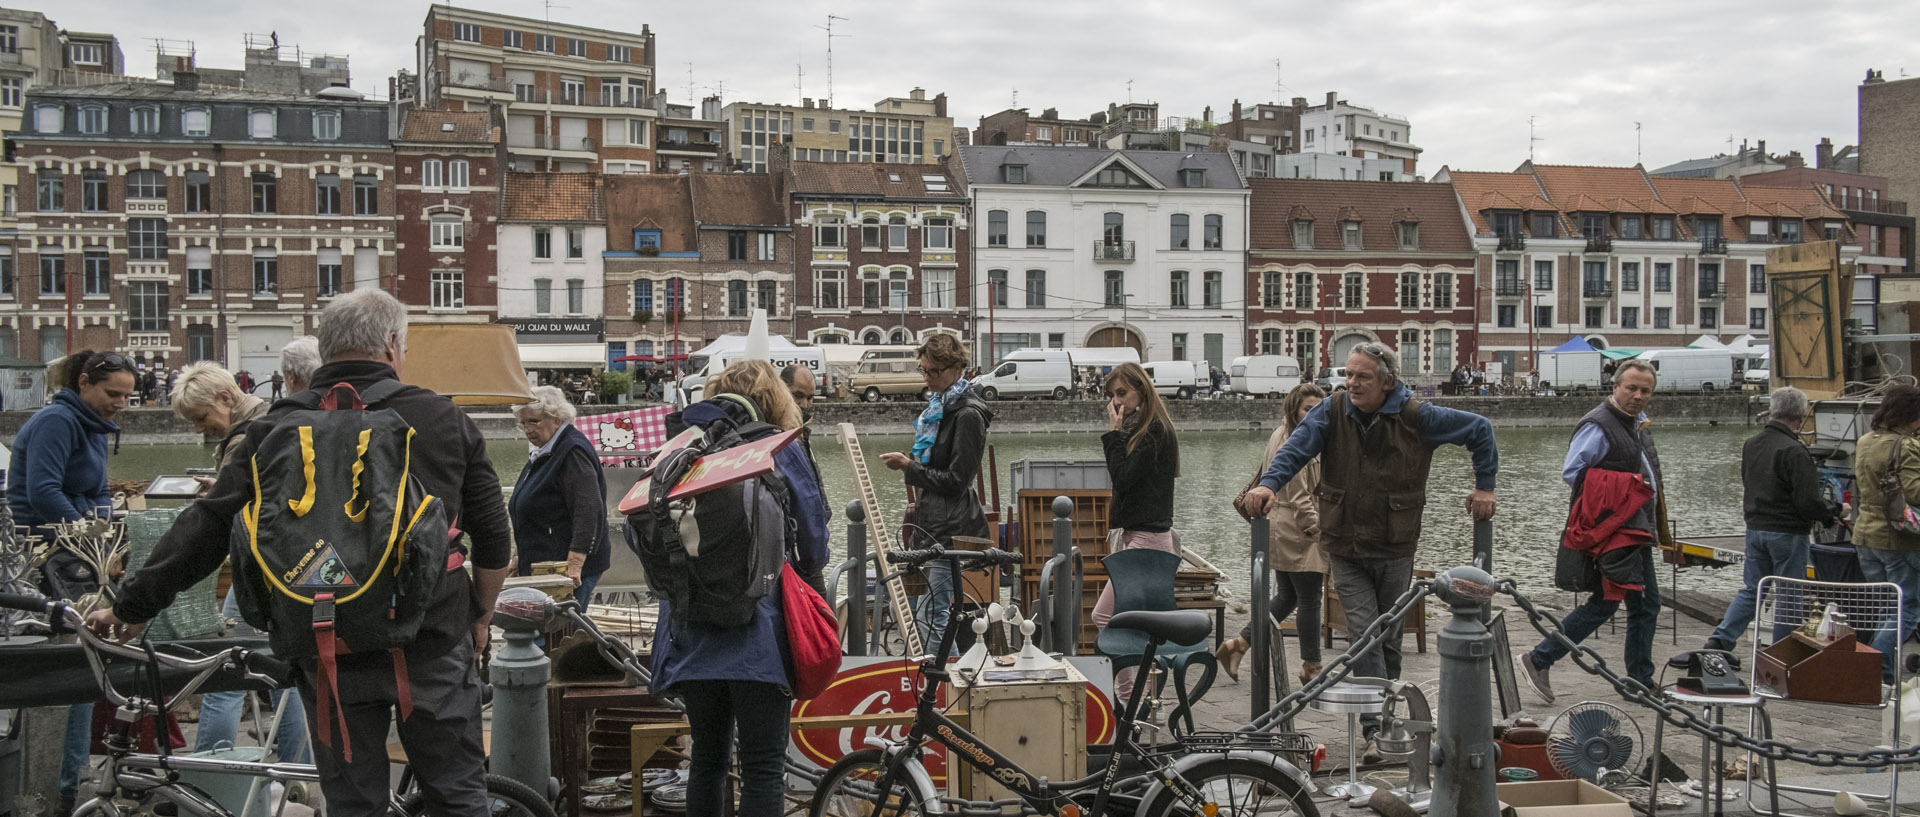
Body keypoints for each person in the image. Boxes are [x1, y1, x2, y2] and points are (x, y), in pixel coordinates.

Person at [90, 290, 514, 817]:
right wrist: (481, 615)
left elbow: (206, 526)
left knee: (353, 802)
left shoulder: (272, 427)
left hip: (325, 640)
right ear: (391, 345)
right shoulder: (442, 418)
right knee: (456, 795)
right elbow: (494, 534)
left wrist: (132, 606)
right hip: (431, 641)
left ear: (327, 347)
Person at [1237, 341, 1497, 754]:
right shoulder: (1332, 410)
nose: (1351, 383)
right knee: (1365, 632)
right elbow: (1296, 448)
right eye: (1348, 374)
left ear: (1387, 382)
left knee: (1389, 636)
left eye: (1362, 376)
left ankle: (1389, 714)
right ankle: (1377, 729)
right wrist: (1268, 483)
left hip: (1396, 542)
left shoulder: (1418, 416)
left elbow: (1480, 430)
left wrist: (1485, 486)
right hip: (1343, 542)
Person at [651, 360, 828, 817]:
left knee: (706, 760)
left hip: (689, 625)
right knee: (763, 767)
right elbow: (813, 540)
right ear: (776, 398)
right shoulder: (776, 445)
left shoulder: (683, 443)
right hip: (759, 628)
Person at [11, 350, 134, 811]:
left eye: (127, 395)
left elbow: (99, 489)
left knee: (86, 669)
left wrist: (102, 536)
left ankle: (71, 779)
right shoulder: (57, 422)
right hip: (46, 561)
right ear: (83, 383)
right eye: (112, 393)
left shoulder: (94, 425)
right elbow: (43, 492)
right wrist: (90, 538)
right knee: (69, 669)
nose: (121, 403)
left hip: (80, 558)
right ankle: (55, 789)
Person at [169, 362, 311, 763]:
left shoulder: (246, 438)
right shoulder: (276, 421)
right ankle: (295, 770)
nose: (199, 428)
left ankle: (212, 773)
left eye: (200, 418)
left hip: (262, 568)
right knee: (285, 670)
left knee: (227, 673)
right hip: (289, 566)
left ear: (227, 398)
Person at [1519, 359, 1664, 704]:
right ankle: (1541, 658)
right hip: (1615, 534)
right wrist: (1627, 492)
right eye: (1631, 388)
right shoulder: (1600, 425)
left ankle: (1637, 680)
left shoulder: (1637, 424)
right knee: (1615, 603)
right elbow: (1574, 473)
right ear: (1614, 387)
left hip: (1632, 530)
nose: (1638, 395)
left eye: (1645, 390)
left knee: (1636, 604)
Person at [1703, 387, 1844, 654]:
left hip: (1756, 528)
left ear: (1773, 409)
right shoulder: (1795, 451)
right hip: (1787, 533)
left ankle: (1720, 640)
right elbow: (1807, 501)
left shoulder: (1752, 444)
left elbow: (1749, 483)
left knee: (1752, 589)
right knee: (1789, 594)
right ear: (1802, 414)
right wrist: (1834, 512)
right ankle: (1782, 653)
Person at [880, 334, 992, 652]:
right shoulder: (940, 406)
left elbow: (958, 480)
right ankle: (942, 683)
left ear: (957, 368)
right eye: (924, 370)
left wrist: (909, 468)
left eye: (934, 371)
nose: (928, 377)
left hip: (950, 529)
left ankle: (946, 687)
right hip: (931, 525)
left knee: (931, 615)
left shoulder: (968, 414)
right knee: (919, 613)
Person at [1218, 384, 1329, 684]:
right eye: (1308, 408)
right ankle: (1312, 666)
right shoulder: (1293, 439)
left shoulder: (1283, 433)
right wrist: (1318, 533)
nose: (1314, 414)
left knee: (1287, 596)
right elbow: (1299, 495)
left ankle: (1239, 644)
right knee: (1309, 599)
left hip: (1281, 528)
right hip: (1297, 531)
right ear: (1294, 409)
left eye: (1320, 408)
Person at [1088, 362, 1181, 699]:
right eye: (1113, 395)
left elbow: (1123, 479)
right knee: (1129, 620)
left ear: (1142, 390)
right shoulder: (1145, 428)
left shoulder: (1153, 431)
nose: (1117, 402)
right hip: (1142, 537)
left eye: (1122, 393)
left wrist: (1112, 435)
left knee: (1105, 616)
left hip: (1147, 541)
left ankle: (1129, 696)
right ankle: (1142, 686)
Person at [510, 386, 611, 610]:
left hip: (564, 568)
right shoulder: (547, 449)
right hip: (545, 565)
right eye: (523, 423)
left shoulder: (572, 451)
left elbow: (588, 509)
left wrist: (574, 565)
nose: (527, 429)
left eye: (534, 421)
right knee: (554, 633)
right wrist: (520, 557)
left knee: (560, 633)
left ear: (557, 418)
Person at [1847, 385, 1920, 685]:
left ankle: (1884, 676)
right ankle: (1870, 670)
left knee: (1888, 608)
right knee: (1908, 609)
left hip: (1866, 537)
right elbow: (1915, 491)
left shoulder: (1866, 440)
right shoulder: (1905, 446)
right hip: (1898, 540)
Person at [779, 363, 832, 596]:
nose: (805, 404)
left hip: (807, 554)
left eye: (810, 397)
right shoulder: (778, 436)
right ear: (781, 390)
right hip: (797, 557)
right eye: (797, 396)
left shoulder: (800, 432)